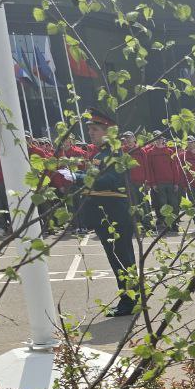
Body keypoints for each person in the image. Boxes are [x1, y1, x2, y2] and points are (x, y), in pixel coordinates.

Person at [78, 108, 140, 317]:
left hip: (114, 216)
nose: (91, 133)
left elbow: (110, 181)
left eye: (95, 129)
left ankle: (129, 302)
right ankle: (131, 298)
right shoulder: (101, 154)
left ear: (109, 132)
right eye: (90, 130)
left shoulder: (113, 154)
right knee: (120, 260)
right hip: (107, 216)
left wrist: (78, 178)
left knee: (121, 260)